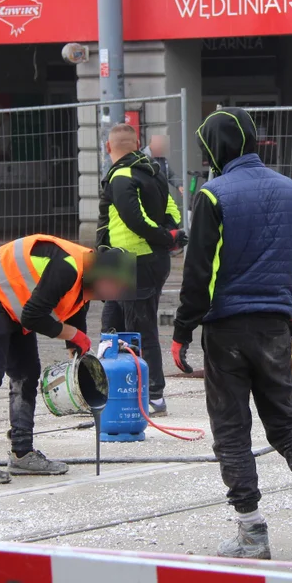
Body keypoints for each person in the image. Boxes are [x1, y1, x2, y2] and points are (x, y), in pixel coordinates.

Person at [171, 108, 292, 563]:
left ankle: (252, 533)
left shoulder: (212, 195)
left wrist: (181, 330)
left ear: (217, 147)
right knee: (286, 424)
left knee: (232, 431)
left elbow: (201, 273)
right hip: (275, 324)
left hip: (227, 329)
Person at [0, 235, 134, 484]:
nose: (119, 294)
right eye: (118, 287)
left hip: (17, 303)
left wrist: (75, 348)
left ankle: (22, 452)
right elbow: (33, 317)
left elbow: (75, 312)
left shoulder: (89, 277)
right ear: (105, 277)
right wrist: (72, 335)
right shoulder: (68, 267)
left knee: (27, 374)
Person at [97, 124, 187, 417]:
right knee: (111, 326)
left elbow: (134, 221)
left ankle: (154, 395)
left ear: (108, 148)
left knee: (139, 328)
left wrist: (166, 237)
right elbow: (172, 207)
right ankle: (110, 388)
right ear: (137, 144)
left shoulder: (122, 176)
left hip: (134, 261)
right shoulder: (152, 171)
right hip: (119, 260)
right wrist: (173, 234)